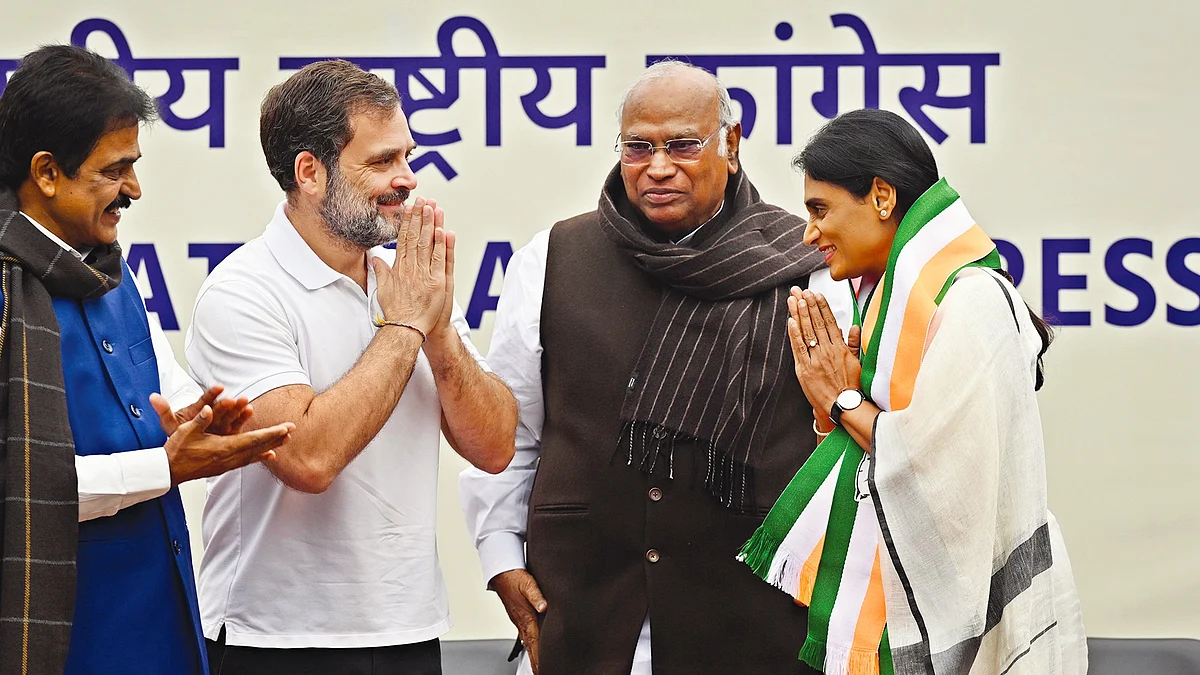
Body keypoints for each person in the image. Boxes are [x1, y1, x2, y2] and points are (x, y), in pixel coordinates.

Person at [459, 61, 850, 675]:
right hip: (589, 615)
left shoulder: (811, 266)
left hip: (754, 622)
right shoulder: (553, 259)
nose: (658, 167)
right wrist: (500, 557)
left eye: (682, 145)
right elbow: (513, 433)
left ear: (731, 144)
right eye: (638, 146)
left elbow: (845, 443)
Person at [184, 59, 518, 675]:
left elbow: (496, 447)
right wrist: (407, 327)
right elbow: (309, 459)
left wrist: (439, 333)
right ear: (309, 172)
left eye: (407, 157)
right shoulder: (242, 292)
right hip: (275, 639)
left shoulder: (407, 284)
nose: (408, 180)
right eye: (381, 162)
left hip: (410, 629)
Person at [739, 108, 1087, 674]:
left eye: (820, 209)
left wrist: (840, 399)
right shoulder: (882, 309)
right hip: (901, 613)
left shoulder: (972, 302)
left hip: (972, 622)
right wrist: (845, 397)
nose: (808, 233)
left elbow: (938, 473)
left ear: (881, 196)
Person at [0, 45, 295, 675]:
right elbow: (16, 489)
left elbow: (159, 390)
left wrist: (204, 417)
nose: (135, 189)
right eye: (115, 171)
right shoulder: (7, 295)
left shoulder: (107, 269)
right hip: (58, 643)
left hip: (165, 632)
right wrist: (164, 468)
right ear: (47, 172)